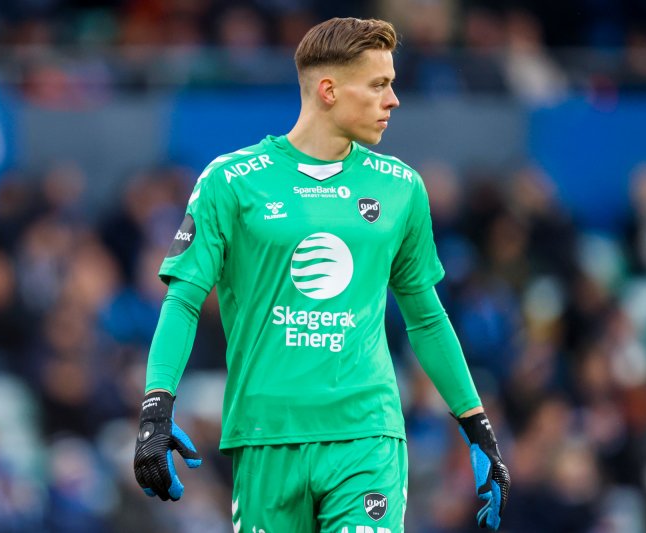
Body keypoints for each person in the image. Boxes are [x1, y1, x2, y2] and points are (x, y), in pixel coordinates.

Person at [133, 17, 510, 533]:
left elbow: (426, 317)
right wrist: (156, 408)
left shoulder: (402, 188)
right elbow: (183, 301)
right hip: (266, 435)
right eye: (379, 85)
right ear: (329, 90)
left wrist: (477, 427)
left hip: (367, 434)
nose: (393, 100)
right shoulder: (231, 181)